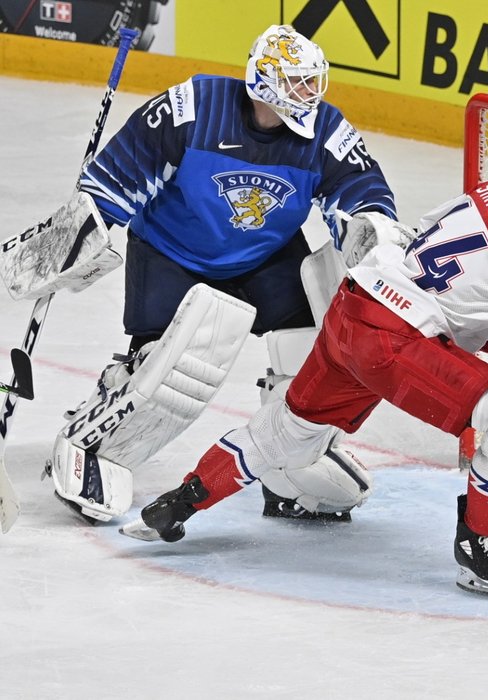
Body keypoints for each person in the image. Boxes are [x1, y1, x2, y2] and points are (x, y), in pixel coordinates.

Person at [120, 148, 488, 602]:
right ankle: (477, 550)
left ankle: (179, 501)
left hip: (353, 309)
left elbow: (432, 254)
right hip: (393, 340)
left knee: (289, 429)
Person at [46, 24, 401, 525]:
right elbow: (122, 168)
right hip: (173, 250)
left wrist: (369, 228)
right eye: (297, 83)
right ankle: (97, 441)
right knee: (165, 366)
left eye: (312, 81)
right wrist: (88, 221)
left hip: (268, 255)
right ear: (265, 82)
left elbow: (363, 186)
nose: (310, 93)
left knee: (310, 353)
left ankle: (285, 467)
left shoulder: (325, 127)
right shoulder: (196, 104)